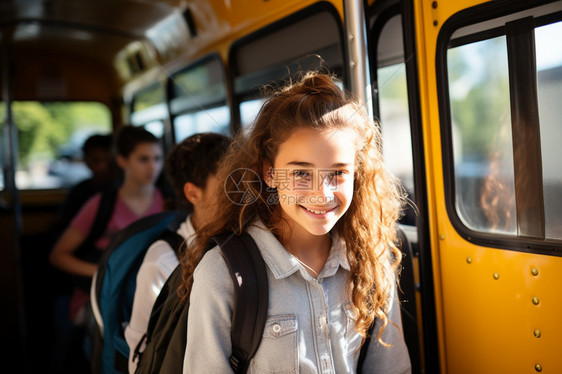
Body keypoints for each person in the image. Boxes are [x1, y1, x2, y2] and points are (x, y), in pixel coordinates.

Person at [181, 71, 412, 373]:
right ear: (269, 173)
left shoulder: (371, 260)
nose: (322, 193)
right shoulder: (222, 273)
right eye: (302, 173)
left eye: (338, 173)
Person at [49, 125, 165, 369]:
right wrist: (104, 273)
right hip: (103, 296)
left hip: (152, 293)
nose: (152, 167)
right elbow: (58, 256)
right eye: (143, 159)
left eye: (157, 158)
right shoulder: (101, 204)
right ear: (122, 161)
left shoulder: (168, 200)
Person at [124, 132, 230, 373]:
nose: (241, 196)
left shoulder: (245, 243)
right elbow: (141, 355)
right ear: (193, 193)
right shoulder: (163, 260)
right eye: (227, 186)